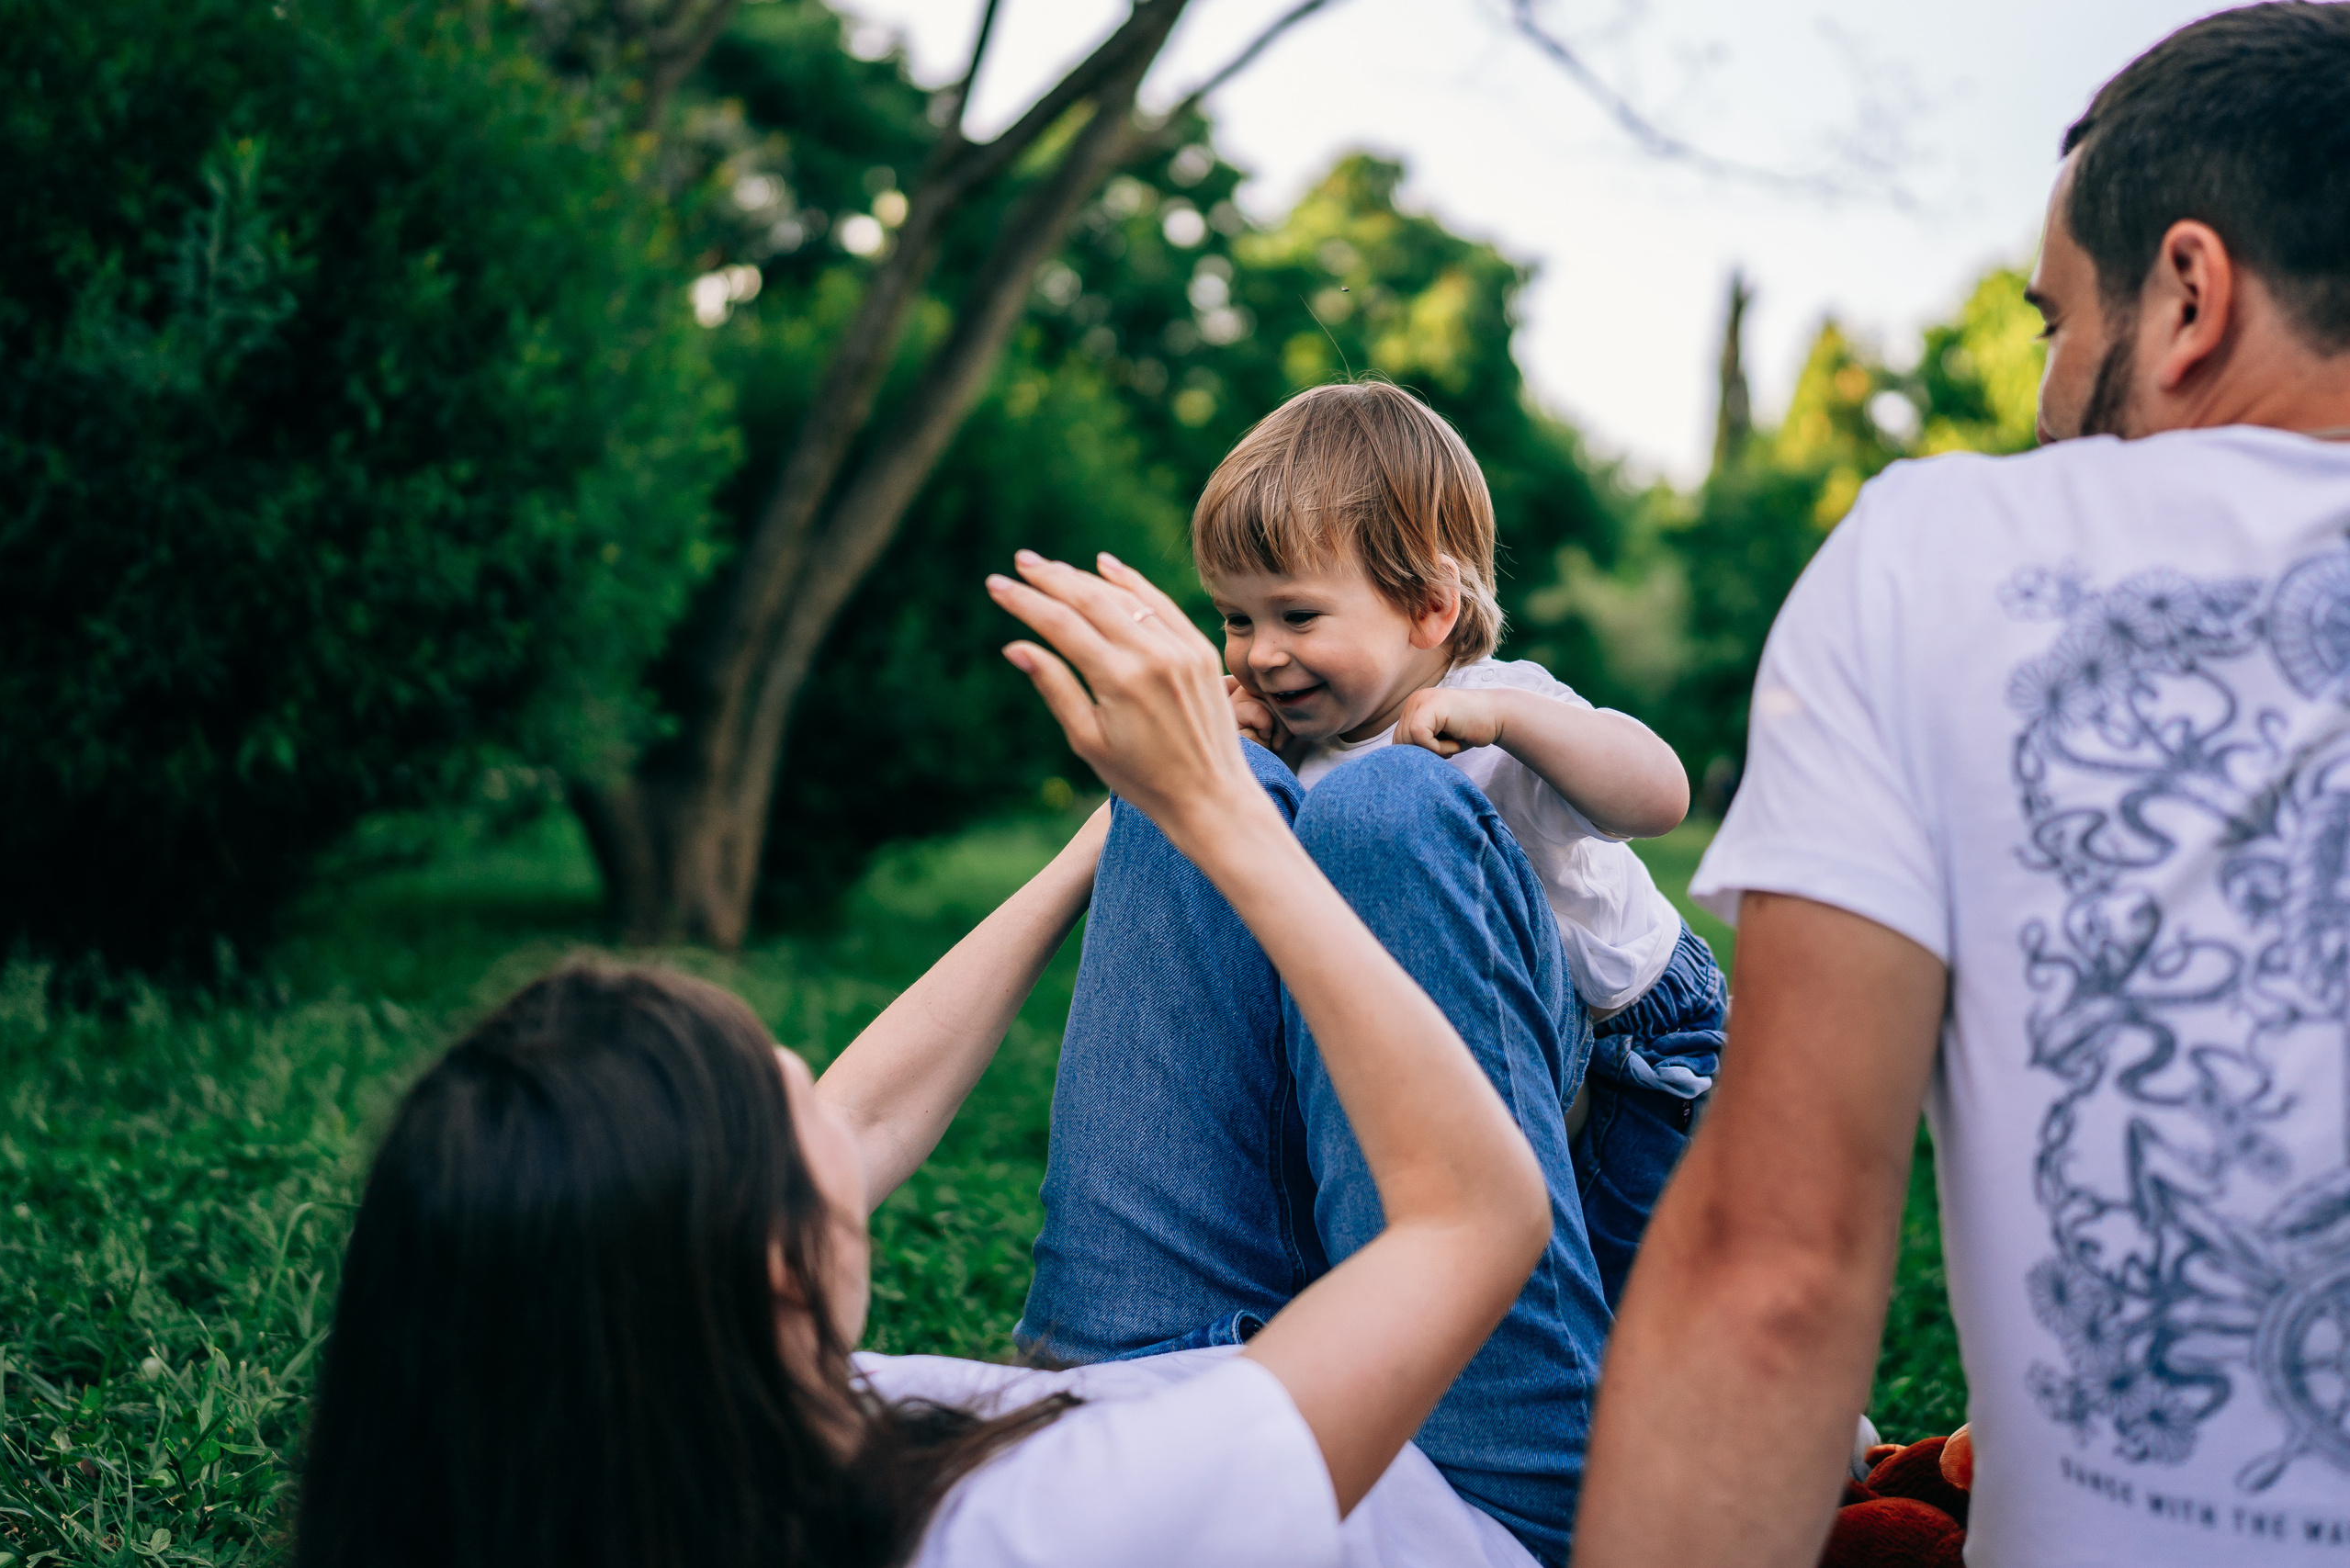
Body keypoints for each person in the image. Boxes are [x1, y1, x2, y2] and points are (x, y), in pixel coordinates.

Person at [294, 550, 1562, 1567]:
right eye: (780, 1101)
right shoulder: (1049, 1528)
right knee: (1389, 809)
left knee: (1248, 816)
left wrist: (1137, 821)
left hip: (1141, 1372)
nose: (815, 1077)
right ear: (781, 1266)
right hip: (1462, 1472)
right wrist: (1228, 822)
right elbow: (1473, 1217)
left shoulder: (651, 1423)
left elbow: (862, 1120)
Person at [1572, 6, 2350, 1565]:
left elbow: (1773, 1280)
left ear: (2189, 295)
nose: (2050, 387)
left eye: (2057, 321)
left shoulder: (1945, 559)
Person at [1209, 377, 1724, 1305]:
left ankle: (1785, 1431)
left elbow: (1661, 796)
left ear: (1428, 608)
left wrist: (1509, 722)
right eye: (1235, 620)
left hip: (1633, 1048)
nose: (1258, 653)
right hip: (1476, 1050)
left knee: (1636, 1298)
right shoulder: (1302, 750)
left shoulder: (1500, 701)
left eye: (1295, 616)